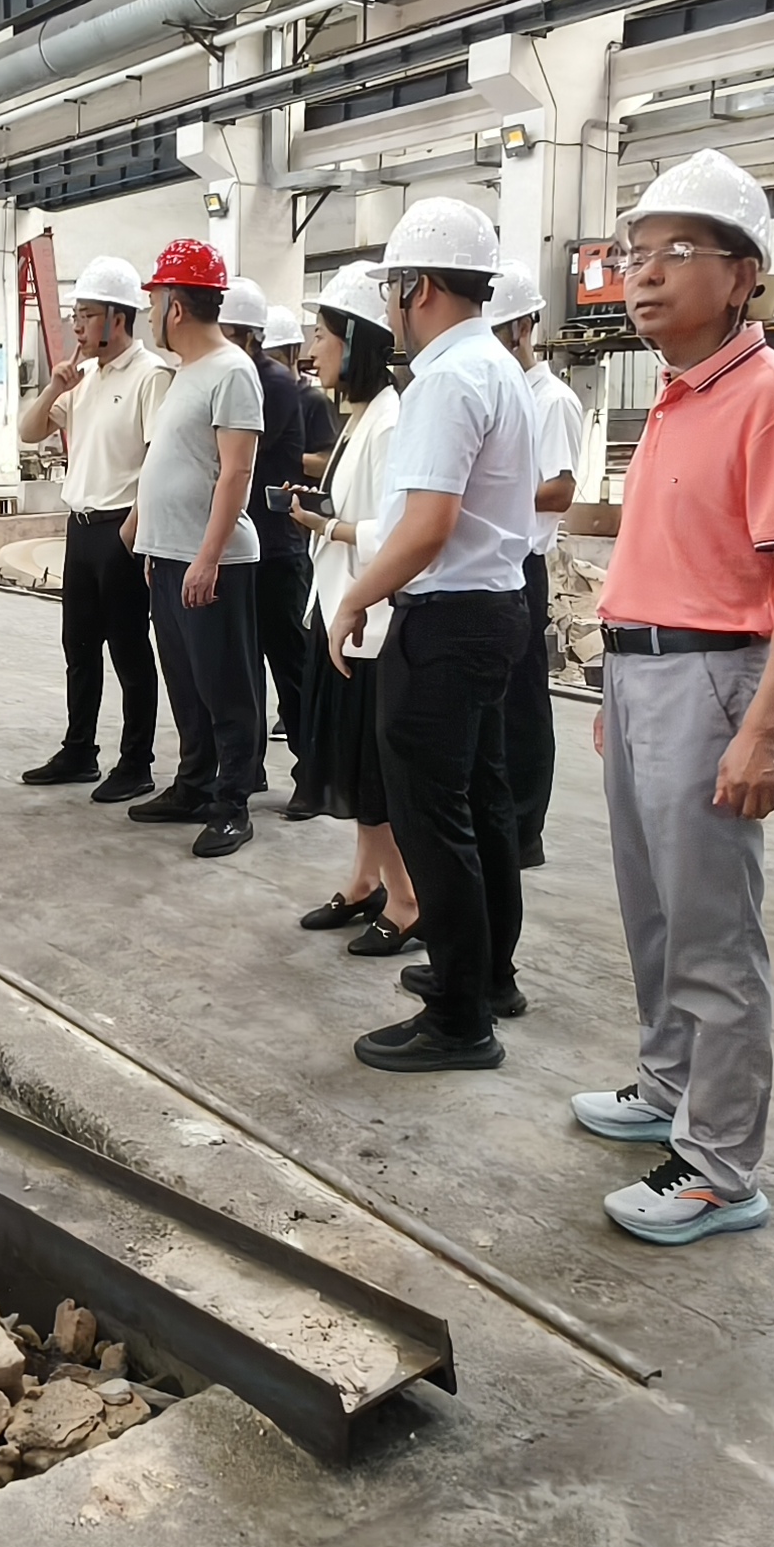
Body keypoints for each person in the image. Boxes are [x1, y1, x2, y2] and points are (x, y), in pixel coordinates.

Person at [564, 150, 774, 1243]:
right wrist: (620, 679)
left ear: (743, 277)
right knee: (654, 909)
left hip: (713, 679)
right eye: (636, 253)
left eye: (679, 251)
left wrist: (761, 733)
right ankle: (667, 1084)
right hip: (644, 675)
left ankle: (721, 1165)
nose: (645, 273)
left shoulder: (773, 402)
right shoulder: (679, 400)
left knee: (714, 931)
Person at [325, 199, 540, 1071]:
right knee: (479, 805)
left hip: (447, 621)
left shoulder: (446, 379)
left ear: (416, 287)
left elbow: (425, 528)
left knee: (432, 819)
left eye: (391, 290)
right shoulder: (496, 366)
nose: (389, 308)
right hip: (493, 612)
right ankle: (487, 976)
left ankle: (458, 1019)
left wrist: (355, 599)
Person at [289, 261, 419, 952]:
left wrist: (328, 526)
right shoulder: (363, 415)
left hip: (370, 618)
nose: (313, 349)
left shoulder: (392, 420)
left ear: (357, 340)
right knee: (355, 765)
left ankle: (407, 899)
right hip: (339, 607)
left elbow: (398, 533)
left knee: (374, 772)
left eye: (322, 335)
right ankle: (367, 880)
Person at [125, 239, 266, 855]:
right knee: (185, 684)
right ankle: (194, 785)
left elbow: (237, 472)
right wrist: (150, 538)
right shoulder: (186, 372)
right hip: (169, 557)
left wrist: (207, 557)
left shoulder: (233, 371)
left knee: (225, 688)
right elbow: (175, 460)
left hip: (214, 562)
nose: (149, 314)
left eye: (153, 302)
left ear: (175, 307)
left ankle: (233, 804)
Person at [17, 255, 172, 802]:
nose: (77, 327)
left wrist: (135, 529)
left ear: (116, 318)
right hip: (81, 528)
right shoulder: (84, 380)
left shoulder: (151, 376)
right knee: (79, 647)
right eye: (75, 316)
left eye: (85, 316)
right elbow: (29, 431)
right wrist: (53, 386)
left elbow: (159, 460)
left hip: (121, 528)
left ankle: (136, 763)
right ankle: (79, 749)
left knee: (129, 650)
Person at [487, 265, 584, 868]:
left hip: (524, 564)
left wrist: (488, 496)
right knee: (495, 703)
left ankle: (526, 830)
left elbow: (560, 490)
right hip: (491, 561)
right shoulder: (503, 393)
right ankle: (502, 821)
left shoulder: (553, 401)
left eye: (498, 332)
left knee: (522, 702)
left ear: (524, 327)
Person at [226, 279, 339, 776]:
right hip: (246, 544)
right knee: (244, 665)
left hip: (276, 547)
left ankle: (312, 770)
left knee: (288, 663)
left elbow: (232, 451)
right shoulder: (242, 377)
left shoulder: (270, 384)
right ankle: (247, 767)